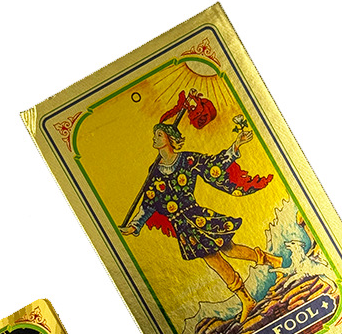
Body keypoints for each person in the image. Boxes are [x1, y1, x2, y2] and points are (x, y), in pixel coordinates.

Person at [121, 122, 282, 322]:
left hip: (197, 216)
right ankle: (247, 300)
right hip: (183, 228)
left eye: (159, 135)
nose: (154, 138)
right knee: (215, 262)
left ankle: (273, 261)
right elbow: (149, 203)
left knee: (230, 249)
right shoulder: (154, 171)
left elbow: (213, 165)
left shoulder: (187, 159)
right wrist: (134, 225)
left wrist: (235, 146)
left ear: (170, 139)